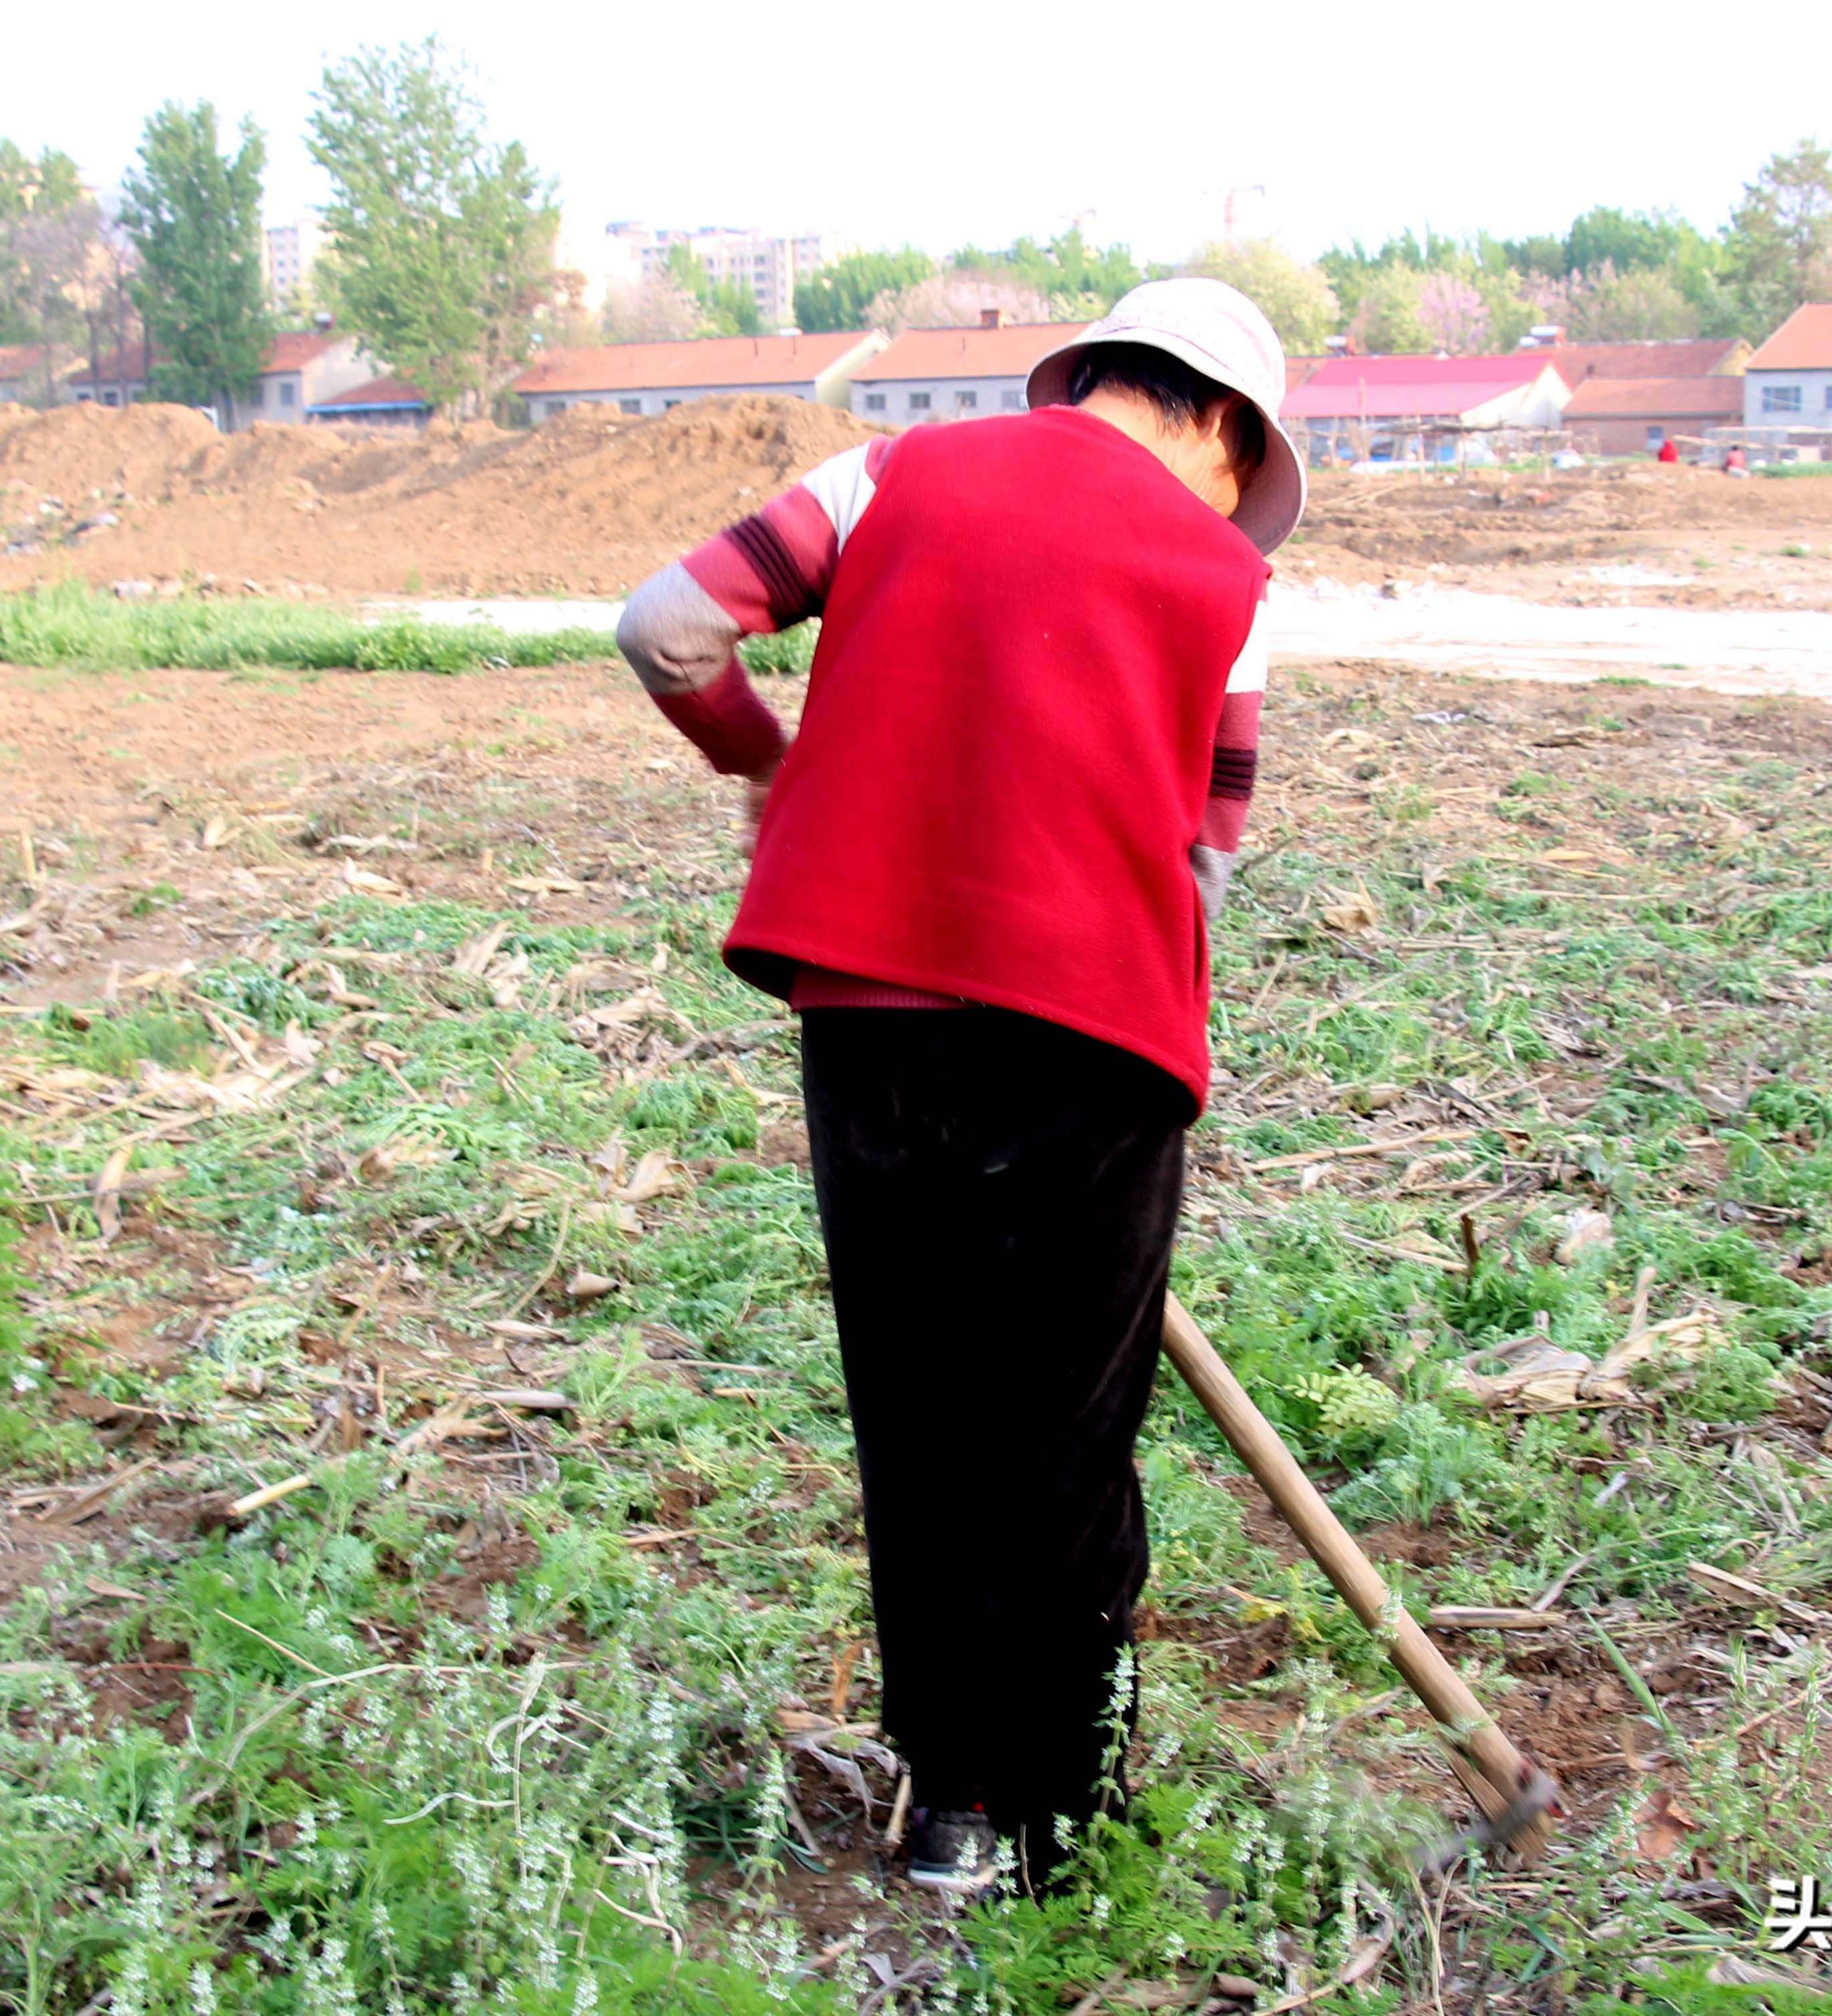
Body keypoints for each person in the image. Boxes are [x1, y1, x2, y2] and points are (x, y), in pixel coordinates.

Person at [612, 279, 1301, 1897]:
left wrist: (769, 763)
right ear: (1221, 420)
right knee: (1068, 1446)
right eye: (1242, 469)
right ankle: (1069, 1829)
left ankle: (952, 1813)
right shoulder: (1232, 581)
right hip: (1095, 1048)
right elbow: (1207, 854)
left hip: (874, 1019)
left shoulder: (889, 476)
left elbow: (666, 628)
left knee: (920, 1421)